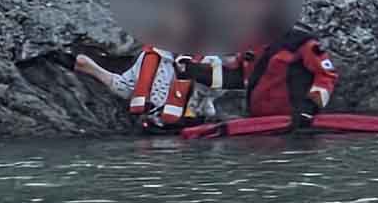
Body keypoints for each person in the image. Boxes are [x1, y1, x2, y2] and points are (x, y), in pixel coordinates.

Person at [177, 25, 338, 127]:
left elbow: (326, 76)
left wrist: (308, 109)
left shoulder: (303, 43)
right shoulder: (253, 44)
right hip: (260, 126)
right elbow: (235, 76)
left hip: (297, 124)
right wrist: (195, 71)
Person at [69, 45, 216, 131]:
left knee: (127, 87)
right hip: (166, 117)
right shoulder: (154, 58)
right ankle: (91, 67)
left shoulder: (207, 59)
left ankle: (91, 67)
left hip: (175, 111)